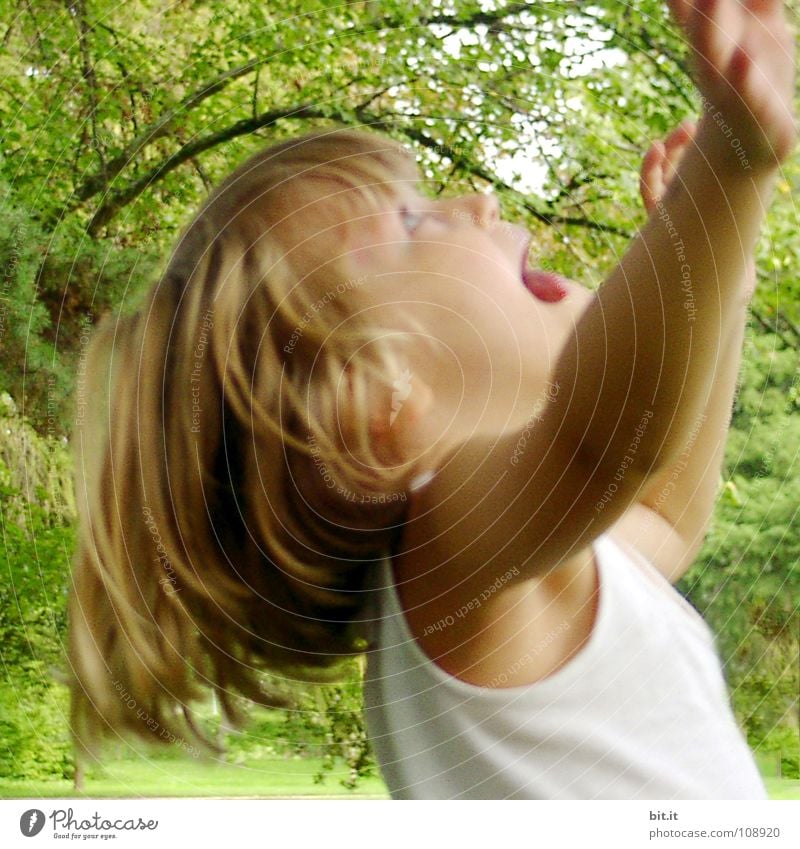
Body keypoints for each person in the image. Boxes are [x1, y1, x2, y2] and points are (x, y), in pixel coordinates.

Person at [67, 0, 796, 799]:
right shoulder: (447, 553)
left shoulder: (496, 568)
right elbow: (604, 441)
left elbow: (664, 519)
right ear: (383, 406)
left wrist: (722, 263)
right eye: (412, 223)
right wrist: (727, 170)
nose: (478, 204)